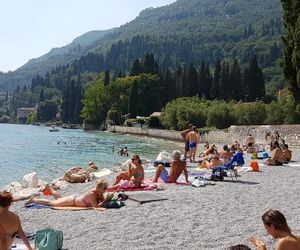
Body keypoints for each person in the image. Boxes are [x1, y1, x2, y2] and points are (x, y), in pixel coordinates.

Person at [25, 179, 113, 208]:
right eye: (105, 188)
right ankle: (34, 199)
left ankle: (50, 189)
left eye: (106, 188)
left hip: (75, 198)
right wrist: (106, 200)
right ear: (99, 188)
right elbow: (96, 207)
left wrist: (107, 199)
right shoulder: (92, 194)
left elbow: (102, 203)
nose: (106, 190)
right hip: (73, 200)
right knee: (52, 203)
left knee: (59, 199)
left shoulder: (100, 193)